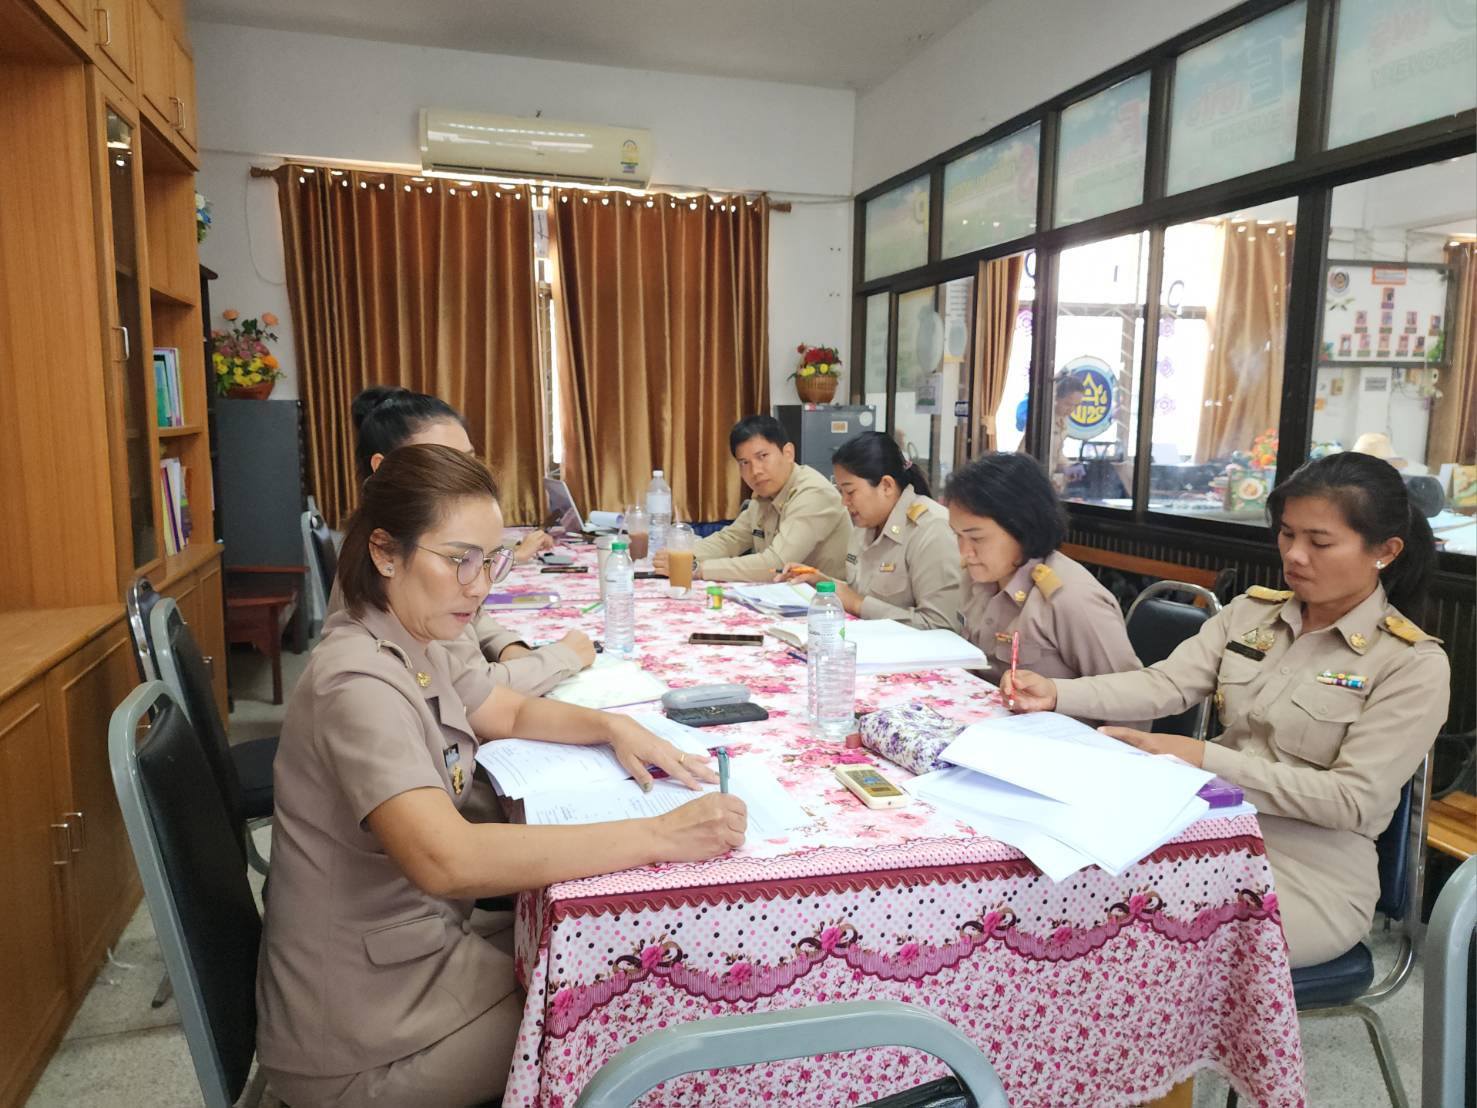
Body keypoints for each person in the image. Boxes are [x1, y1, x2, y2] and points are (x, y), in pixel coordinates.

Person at [257, 445, 747, 1107]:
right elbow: (447, 858)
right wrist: (659, 835)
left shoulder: (411, 634)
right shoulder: (358, 680)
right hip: (363, 1035)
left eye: (489, 560)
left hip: (410, 959)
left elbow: (501, 706)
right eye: (458, 559)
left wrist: (611, 727)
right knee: (642, 1031)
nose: (479, 584)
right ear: (384, 551)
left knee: (624, 959)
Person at [1002, 452, 1450, 967]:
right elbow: (1165, 685)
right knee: (1059, 897)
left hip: (1305, 876)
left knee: (1130, 940)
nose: (1295, 556)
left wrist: (1202, 758)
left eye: (1319, 541)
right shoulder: (1250, 615)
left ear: (1385, 551)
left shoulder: (1410, 663)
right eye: (1287, 534)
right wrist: (1057, 693)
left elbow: (1350, 800)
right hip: (1199, 832)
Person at [350, 386, 590, 695]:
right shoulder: (394, 561)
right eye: (444, 463)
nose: (466, 476)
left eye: (468, 461)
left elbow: (472, 619)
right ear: (384, 467)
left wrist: (508, 648)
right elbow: (474, 692)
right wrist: (564, 656)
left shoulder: (405, 544)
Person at [946, 453, 1142, 708]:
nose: (964, 552)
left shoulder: (1070, 598)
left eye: (977, 538)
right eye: (958, 536)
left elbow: (1131, 699)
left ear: (1022, 527)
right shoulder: (978, 580)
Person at [778, 431, 961, 630]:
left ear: (886, 486)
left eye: (850, 492)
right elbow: (861, 590)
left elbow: (940, 627)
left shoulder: (931, 529)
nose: (844, 502)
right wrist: (823, 582)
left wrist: (857, 604)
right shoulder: (864, 526)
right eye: (840, 492)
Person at [655, 414, 851, 582]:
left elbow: (776, 564)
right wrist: (683, 555)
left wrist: (697, 569)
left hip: (825, 606)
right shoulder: (765, 494)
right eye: (744, 462)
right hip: (786, 598)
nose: (755, 471)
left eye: (763, 456)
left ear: (788, 453)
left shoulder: (813, 493)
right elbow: (731, 539)